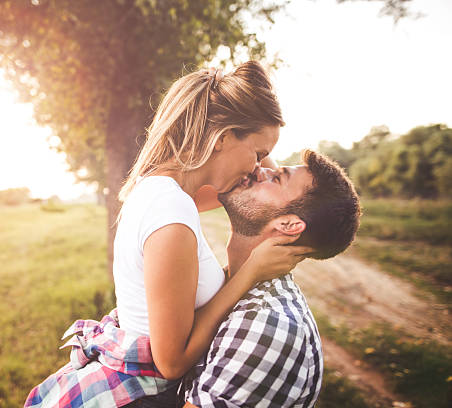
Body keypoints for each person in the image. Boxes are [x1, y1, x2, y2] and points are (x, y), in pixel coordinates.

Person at [24, 62, 311, 408]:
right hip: (140, 394)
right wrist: (250, 272)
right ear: (222, 138)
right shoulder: (171, 212)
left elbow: (251, 182)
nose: (259, 168)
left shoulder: (168, 189)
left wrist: (257, 133)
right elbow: (171, 363)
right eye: (258, 153)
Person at [178, 149, 361, 407]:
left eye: (276, 178)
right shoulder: (234, 284)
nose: (257, 169)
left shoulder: (267, 326)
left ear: (288, 225)